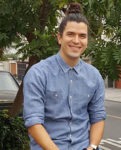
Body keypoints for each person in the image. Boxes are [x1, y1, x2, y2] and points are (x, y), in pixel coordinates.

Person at [23, 2, 106, 150]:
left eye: (82, 36)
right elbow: (33, 123)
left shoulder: (94, 76)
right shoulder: (38, 73)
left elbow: (98, 117)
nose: (76, 41)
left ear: (87, 41)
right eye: (70, 34)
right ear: (59, 38)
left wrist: (92, 146)